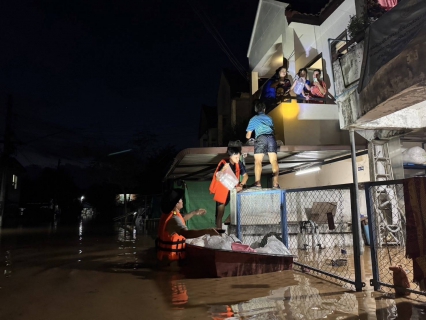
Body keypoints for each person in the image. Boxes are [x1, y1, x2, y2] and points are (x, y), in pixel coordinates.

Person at [157, 188, 219, 262]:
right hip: (173, 262)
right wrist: (207, 231)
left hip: (165, 259)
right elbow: (186, 233)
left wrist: (194, 212)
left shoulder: (169, 214)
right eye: (180, 199)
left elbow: (182, 219)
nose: (182, 200)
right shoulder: (174, 218)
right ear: (176, 204)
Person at [209, 146, 249, 229]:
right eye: (236, 157)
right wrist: (223, 169)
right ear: (230, 156)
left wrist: (241, 185)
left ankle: (228, 221)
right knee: (220, 213)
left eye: (239, 157)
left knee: (240, 206)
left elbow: (246, 176)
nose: (238, 159)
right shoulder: (224, 163)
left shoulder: (239, 163)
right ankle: (219, 232)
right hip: (222, 190)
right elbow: (217, 177)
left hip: (233, 189)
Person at [245, 101, 280, 189]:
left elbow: (248, 136)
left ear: (256, 110)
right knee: (274, 161)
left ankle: (258, 183)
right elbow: (273, 131)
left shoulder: (253, 119)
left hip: (261, 138)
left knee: (258, 161)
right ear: (264, 109)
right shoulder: (269, 118)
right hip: (271, 138)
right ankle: (276, 184)